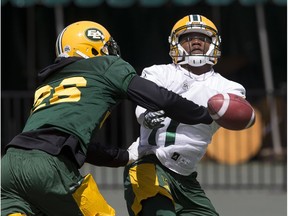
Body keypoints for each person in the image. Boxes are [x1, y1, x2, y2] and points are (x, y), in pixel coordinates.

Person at [1, 20, 214, 216]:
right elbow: (161, 99)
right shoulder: (105, 66)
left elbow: (71, 142)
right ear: (93, 45)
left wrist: (123, 157)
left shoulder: (48, 85)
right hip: (49, 167)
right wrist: (205, 115)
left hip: (8, 167)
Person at [123, 14, 254, 216]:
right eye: (187, 38)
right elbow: (143, 103)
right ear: (176, 43)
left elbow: (240, 115)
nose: (195, 42)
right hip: (150, 165)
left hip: (185, 178)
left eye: (202, 38)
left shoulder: (229, 89)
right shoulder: (159, 73)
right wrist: (145, 115)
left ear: (214, 44)